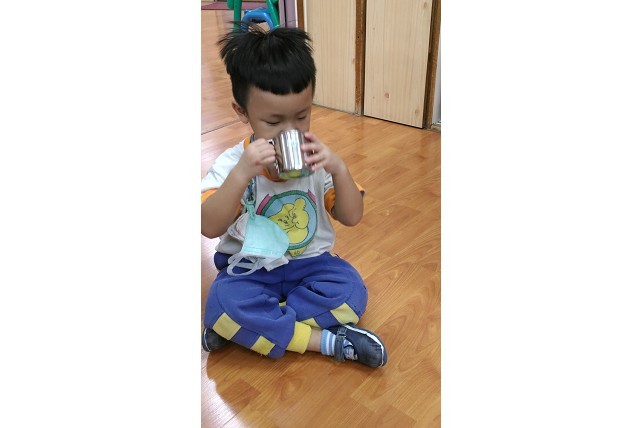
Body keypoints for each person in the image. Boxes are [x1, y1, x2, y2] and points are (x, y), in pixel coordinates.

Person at [200, 22, 387, 368]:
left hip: (309, 266)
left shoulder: (317, 159)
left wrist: (339, 170)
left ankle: (250, 325)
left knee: (351, 290)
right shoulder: (231, 165)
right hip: (251, 269)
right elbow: (208, 227)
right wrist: (241, 174)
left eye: (302, 117)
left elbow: (351, 216)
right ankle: (326, 341)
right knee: (224, 298)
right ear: (242, 112)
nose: (290, 130)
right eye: (273, 122)